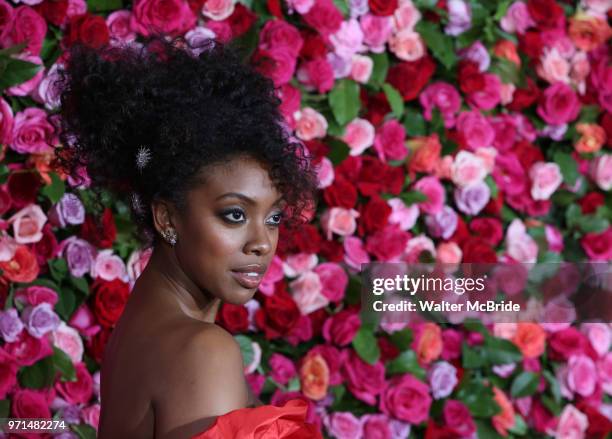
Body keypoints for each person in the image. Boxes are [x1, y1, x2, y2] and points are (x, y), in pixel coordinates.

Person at [53, 35, 321, 438]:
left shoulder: (141, 329)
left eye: (274, 217)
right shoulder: (202, 351)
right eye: (234, 214)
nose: (262, 243)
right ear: (167, 217)